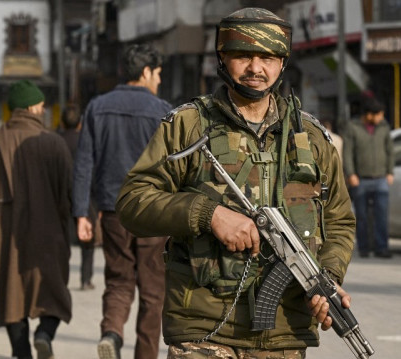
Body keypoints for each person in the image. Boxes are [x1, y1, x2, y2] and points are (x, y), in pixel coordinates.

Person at [115, 8, 355, 358]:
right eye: (244, 55)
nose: (256, 68)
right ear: (222, 58)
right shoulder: (189, 126)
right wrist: (207, 214)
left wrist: (329, 277)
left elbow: (339, 220)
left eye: (268, 57)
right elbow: (133, 202)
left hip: (284, 335)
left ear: (283, 62)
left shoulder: (312, 138)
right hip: (202, 328)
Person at [0, 80, 73, 359]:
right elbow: (68, 193)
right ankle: (44, 334)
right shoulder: (53, 142)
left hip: (3, 237)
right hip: (47, 234)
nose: (43, 111)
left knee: (10, 297)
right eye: (42, 106)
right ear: (32, 107)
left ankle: (22, 353)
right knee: (54, 292)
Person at [72, 44, 172, 359]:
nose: (158, 81)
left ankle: (112, 333)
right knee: (154, 293)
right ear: (145, 72)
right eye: (157, 74)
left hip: (114, 211)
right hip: (155, 213)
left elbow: (84, 163)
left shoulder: (97, 107)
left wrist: (81, 214)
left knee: (118, 281)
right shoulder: (163, 111)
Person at [341, 97, 394, 258]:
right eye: (379, 115)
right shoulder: (352, 127)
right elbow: (348, 153)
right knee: (362, 216)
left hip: (380, 179)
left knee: (382, 216)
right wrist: (351, 174)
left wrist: (390, 171)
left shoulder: (384, 127)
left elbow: (390, 151)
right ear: (370, 115)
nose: (382, 118)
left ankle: (381, 247)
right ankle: (364, 247)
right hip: (360, 179)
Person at [59, 104, 98, 291]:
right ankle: (85, 279)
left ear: (62, 122)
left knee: (61, 242)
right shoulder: (86, 140)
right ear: (80, 124)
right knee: (88, 242)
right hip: (85, 196)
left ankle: (61, 279)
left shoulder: (55, 141)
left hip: (60, 197)